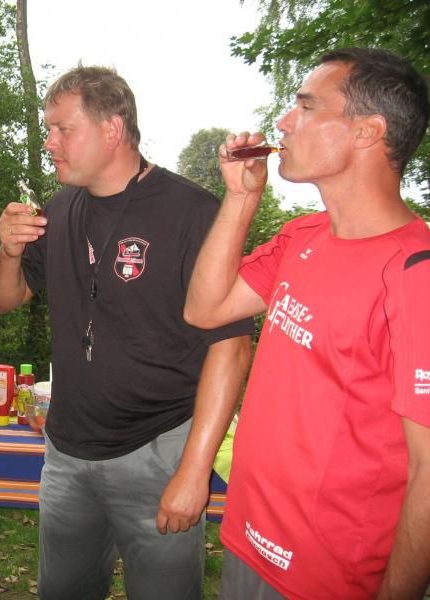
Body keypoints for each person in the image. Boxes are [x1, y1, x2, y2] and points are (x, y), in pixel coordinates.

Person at [0, 65, 253, 600]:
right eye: (48, 129)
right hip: (67, 452)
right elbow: (1, 299)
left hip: (158, 450)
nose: (49, 142)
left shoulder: (192, 211)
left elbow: (231, 347)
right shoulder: (59, 208)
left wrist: (194, 470)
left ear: (112, 129)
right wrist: (8, 250)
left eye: (63, 129)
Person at [184, 48, 430, 599]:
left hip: (327, 576)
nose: (283, 121)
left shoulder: (416, 275)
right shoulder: (303, 237)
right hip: (248, 541)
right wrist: (240, 197)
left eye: (307, 106)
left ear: (367, 132)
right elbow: (205, 309)